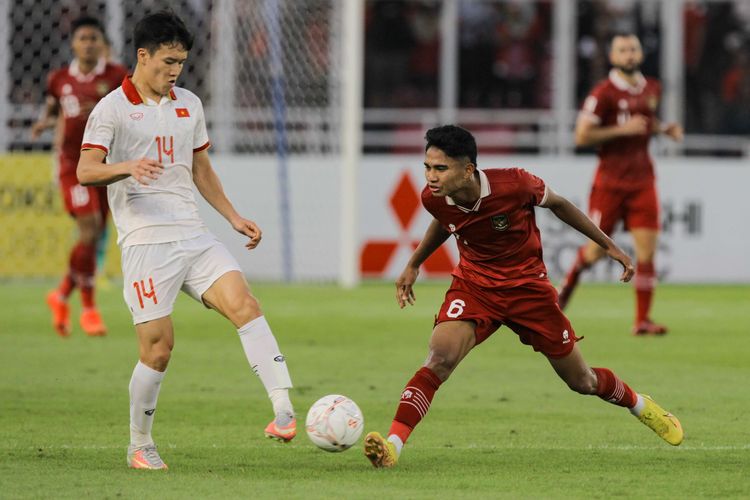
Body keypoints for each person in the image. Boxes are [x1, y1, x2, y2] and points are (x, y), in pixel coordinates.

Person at [362, 125, 683, 469]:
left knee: (582, 381)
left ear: (468, 169)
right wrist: (414, 263)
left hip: (529, 291)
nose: (431, 177)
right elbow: (446, 220)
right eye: (427, 167)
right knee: (439, 358)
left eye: (440, 168)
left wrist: (608, 245)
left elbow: (560, 205)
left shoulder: (515, 183)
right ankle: (393, 446)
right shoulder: (432, 197)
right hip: (475, 288)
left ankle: (638, 404)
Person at [77, 11, 296, 470]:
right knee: (158, 349)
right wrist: (126, 167)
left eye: (182, 62)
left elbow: (201, 169)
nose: (176, 70)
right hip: (145, 242)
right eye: (169, 61)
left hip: (193, 234)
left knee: (246, 305)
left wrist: (233, 217)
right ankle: (140, 443)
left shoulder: (189, 105)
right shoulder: (111, 109)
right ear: (143, 55)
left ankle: (283, 410)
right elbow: (86, 170)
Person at [557, 33, 684, 335]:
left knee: (647, 250)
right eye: (623, 50)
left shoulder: (652, 88)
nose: (629, 54)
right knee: (595, 251)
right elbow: (582, 136)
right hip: (610, 182)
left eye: (633, 49)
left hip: (643, 180)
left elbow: (644, 122)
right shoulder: (603, 93)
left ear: (640, 53)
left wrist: (664, 129)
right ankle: (559, 300)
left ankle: (642, 320)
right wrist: (621, 130)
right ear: (613, 57)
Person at [31, 16, 128, 337]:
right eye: (82, 38)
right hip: (73, 166)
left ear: (102, 44)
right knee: (90, 229)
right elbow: (53, 106)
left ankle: (60, 295)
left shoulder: (116, 76)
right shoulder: (59, 78)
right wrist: (44, 122)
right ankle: (88, 308)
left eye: (93, 38)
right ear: (73, 43)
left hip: (107, 165)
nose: (88, 43)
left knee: (97, 233)